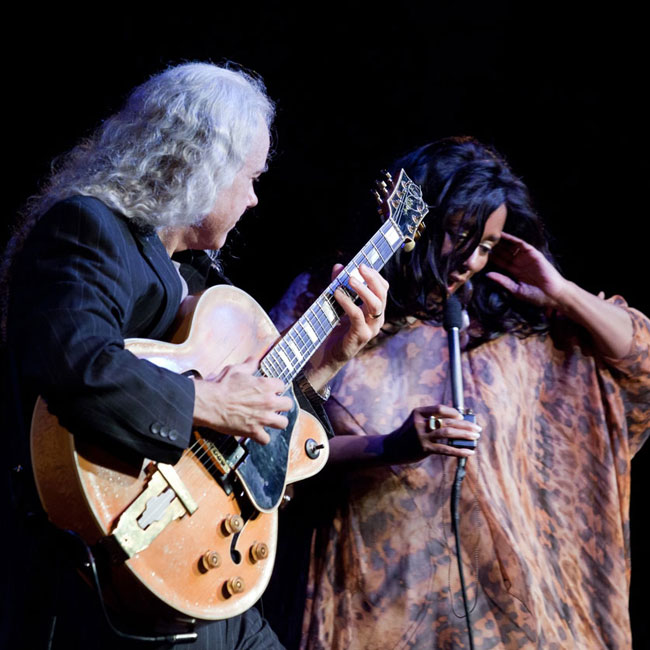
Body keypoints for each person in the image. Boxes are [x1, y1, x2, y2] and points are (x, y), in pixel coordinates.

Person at [1, 62, 387, 649]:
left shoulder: (195, 279)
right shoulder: (86, 227)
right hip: (114, 572)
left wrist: (328, 360)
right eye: (250, 178)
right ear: (205, 166)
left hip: (201, 562)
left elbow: (253, 440)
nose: (254, 199)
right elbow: (77, 366)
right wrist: (211, 402)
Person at [270, 136, 650, 649]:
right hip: (381, 599)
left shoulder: (509, 317)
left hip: (508, 611)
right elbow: (273, 438)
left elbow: (637, 361)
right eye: (461, 234)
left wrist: (560, 291)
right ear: (419, 222)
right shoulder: (339, 299)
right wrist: (390, 446)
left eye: (488, 245)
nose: (471, 259)